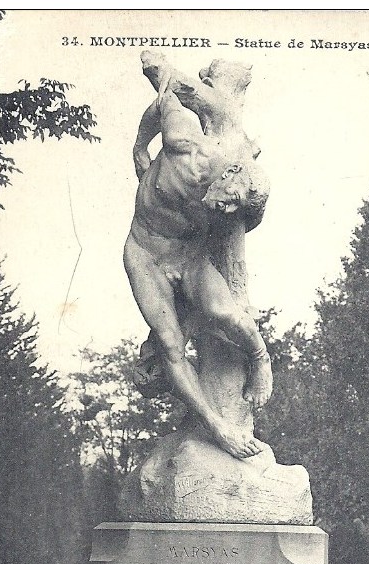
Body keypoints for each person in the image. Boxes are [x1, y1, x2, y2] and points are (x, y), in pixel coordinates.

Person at [123, 77, 272, 459]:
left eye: (236, 210)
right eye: (231, 200)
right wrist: (140, 146)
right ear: (226, 175)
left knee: (224, 312)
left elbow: (242, 218)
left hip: (189, 257)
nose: (227, 211)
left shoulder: (228, 204)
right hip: (147, 255)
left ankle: (260, 357)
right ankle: (219, 431)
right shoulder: (183, 143)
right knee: (171, 345)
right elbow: (164, 101)